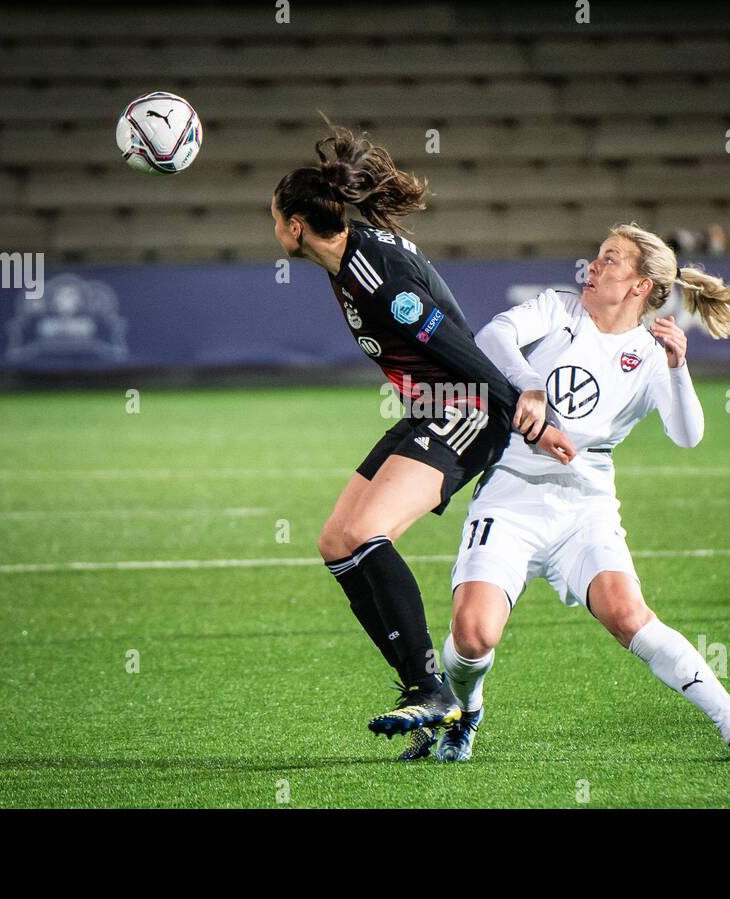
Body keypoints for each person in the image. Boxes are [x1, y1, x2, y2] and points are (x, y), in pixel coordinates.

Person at [270, 121, 575, 759]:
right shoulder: (348, 257)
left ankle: (432, 688)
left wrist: (525, 413)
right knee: (335, 541)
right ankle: (421, 688)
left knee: (366, 532)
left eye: (275, 219)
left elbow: (453, 345)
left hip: (466, 408)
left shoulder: (374, 275)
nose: (273, 229)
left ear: (296, 226)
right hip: (429, 407)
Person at [435, 223, 730, 763]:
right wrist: (528, 382)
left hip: (584, 508)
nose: (593, 268)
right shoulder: (558, 308)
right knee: (473, 636)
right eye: (597, 258)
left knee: (629, 615)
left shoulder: (649, 353)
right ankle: (465, 711)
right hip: (511, 496)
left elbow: (687, 437)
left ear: (640, 285)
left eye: (611, 260)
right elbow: (492, 335)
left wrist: (679, 367)